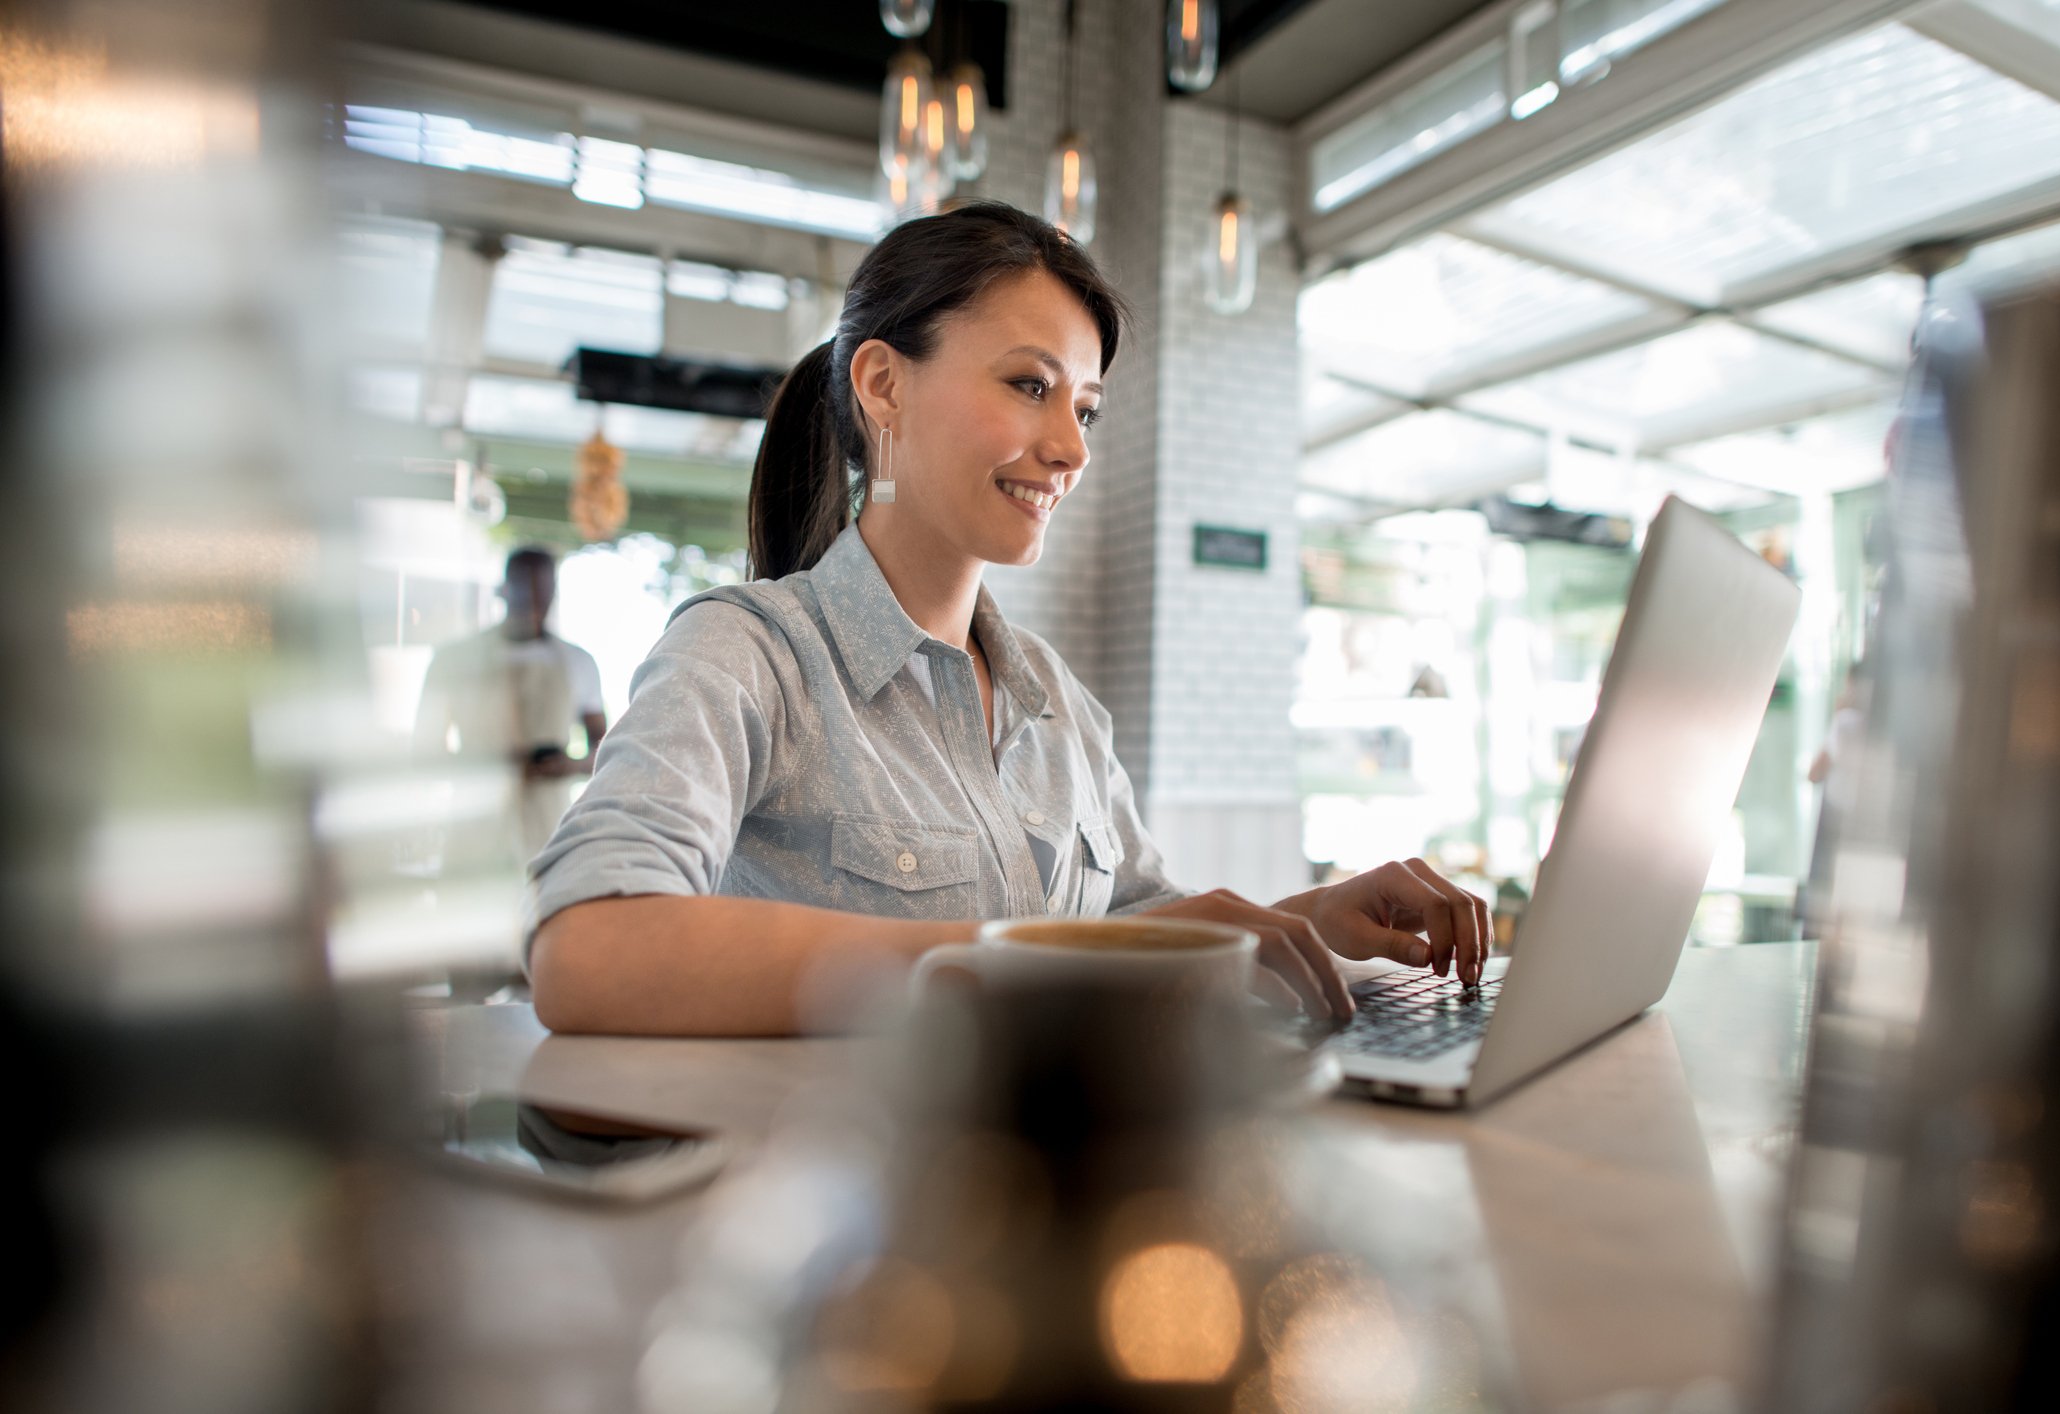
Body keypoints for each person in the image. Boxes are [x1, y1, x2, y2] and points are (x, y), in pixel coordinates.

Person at [527, 202, 1488, 1037]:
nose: (1070, 447)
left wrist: (1306, 921)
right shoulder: (746, 654)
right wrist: (1021, 958)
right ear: (882, 385)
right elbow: (588, 950)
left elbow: (1131, 933)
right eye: (1030, 386)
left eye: (1086, 408)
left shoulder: (1057, 703)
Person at [416, 547, 608, 862]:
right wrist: (487, 764)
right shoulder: (452, 660)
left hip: (548, 834)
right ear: (502, 590)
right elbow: (423, 752)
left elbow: (604, 750)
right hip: (472, 828)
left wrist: (567, 765)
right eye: (522, 586)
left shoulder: (580, 663)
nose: (532, 598)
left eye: (542, 589)